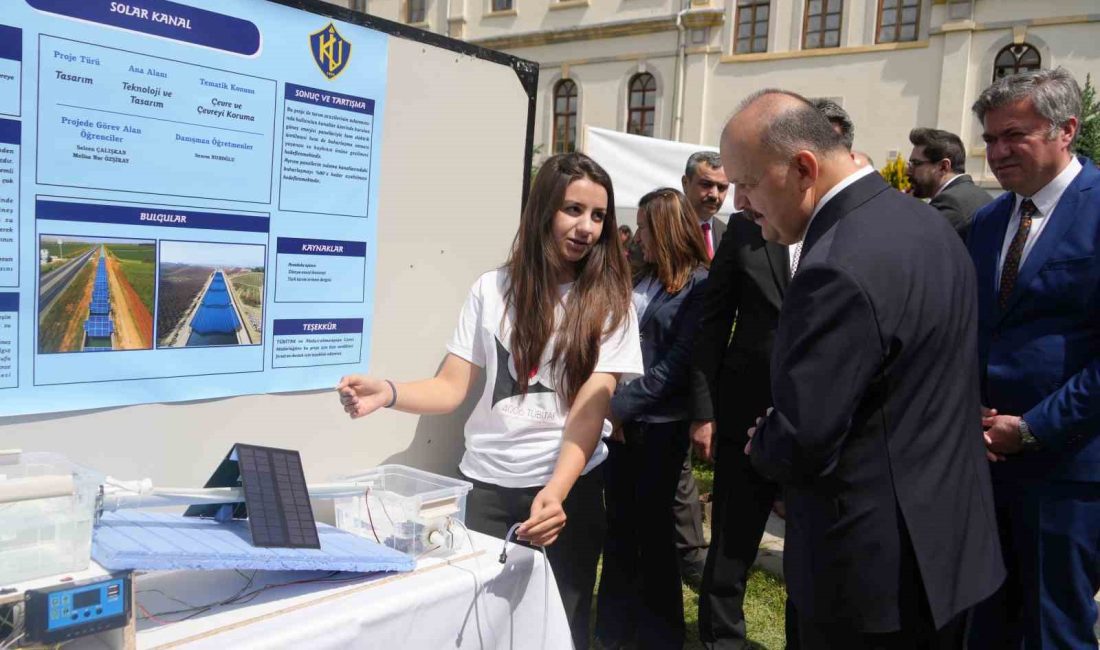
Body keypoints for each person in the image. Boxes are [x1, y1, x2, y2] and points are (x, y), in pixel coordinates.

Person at [723, 89, 1003, 648]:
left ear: (803, 167)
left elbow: (806, 437)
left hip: (868, 577)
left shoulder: (835, 266)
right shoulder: (924, 224)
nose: (738, 202)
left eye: (747, 183)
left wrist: (763, 442)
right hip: (946, 552)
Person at [336, 152, 644, 650]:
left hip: (568, 492)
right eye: (573, 209)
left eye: (598, 216)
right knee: (485, 625)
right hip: (486, 489)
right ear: (543, 209)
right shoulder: (491, 289)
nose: (586, 227)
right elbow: (452, 387)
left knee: (561, 627)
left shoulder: (612, 299)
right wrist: (389, 392)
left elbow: (594, 406)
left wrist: (558, 491)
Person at [966, 67, 1100, 650]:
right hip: (987, 462)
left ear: (1066, 129)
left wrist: (1033, 428)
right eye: (991, 138)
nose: (997, 152)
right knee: (988, 620)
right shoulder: (990, 221)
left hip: (1068, 469)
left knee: (1054, 628)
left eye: (1014, 135)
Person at [596, 188, 710, 649]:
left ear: (662, 227)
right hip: (621, 430)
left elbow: (677, 365)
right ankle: (613, 628)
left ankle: (660, 634)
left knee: (656, 537)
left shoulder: (699, 285)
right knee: (620, 532)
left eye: (644, 225)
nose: (637, 234)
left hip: (658, 429)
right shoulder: (639, 279)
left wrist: (616, 408)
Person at [670, 150, 731, 586]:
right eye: (706, 185)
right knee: (677, 465)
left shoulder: (732, 234)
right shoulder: (663, 230)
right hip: (672, 366)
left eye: (722, 187)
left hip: (716, 369)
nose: (714, 194)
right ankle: (691, 555)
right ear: (687, 182)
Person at [906, 127, 992, 239]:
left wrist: (906, 208)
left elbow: (915, 245)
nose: (908, 172)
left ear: (943, 167)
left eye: (916, 163)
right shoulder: (977, 194)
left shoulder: (949, 202)